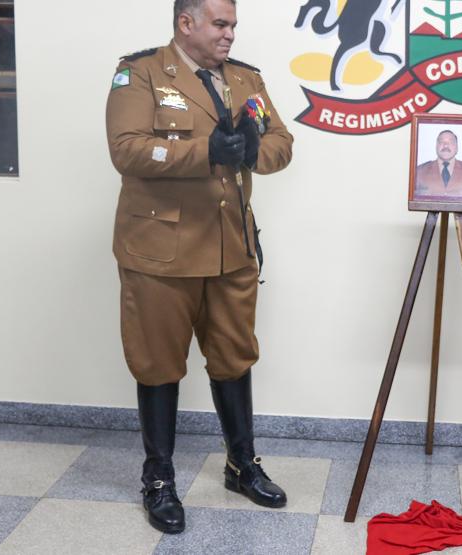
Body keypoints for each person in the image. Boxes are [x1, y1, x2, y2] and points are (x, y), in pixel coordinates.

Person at [105, 0, 294, 534]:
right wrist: (204, 152)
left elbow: (282, 142)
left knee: (234, 356)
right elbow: (126, 150)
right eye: (220, 24)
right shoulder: (141, 73)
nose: (230, 34)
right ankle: (158, 479)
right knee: (158, 363)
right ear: (186, 23)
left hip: (230, 247)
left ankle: (242, 465)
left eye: (233, 24)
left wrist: (252, 151)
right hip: (161, 252)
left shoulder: (246, 80)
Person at [414, 130, 462, 200]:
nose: (446, 145)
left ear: (457, 148)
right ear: (436, 147)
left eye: (451, 142)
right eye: (441, 142)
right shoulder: (420, 171)